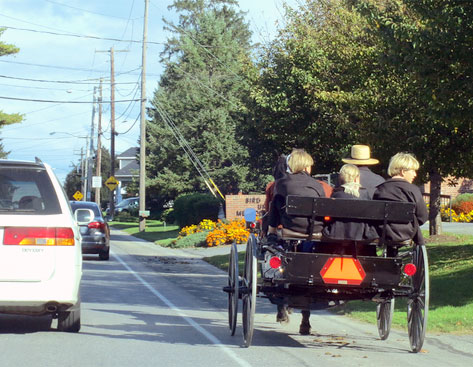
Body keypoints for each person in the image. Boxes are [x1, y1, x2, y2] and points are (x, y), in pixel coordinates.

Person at [267, 148, 326, 335]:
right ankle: (305, 320)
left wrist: (271, 230)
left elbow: (274, 211)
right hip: (314, 234)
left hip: (290, 232)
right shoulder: (318, 186)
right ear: (307, 166)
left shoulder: (282, 184)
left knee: (278, 256)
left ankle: (281, 298)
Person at [373, 152, 428, 246]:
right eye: (413, 171)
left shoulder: (380, 189)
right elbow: (422, 217)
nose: (415, 174)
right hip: (405, 233)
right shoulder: (413, 190)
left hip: (382, 233)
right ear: (403, 172)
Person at [322, 164, 378, 255]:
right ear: (356, 178)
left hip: (337, 233)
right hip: (361, 233)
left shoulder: (336, 194)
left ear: (341, 179)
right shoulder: (364, 194)